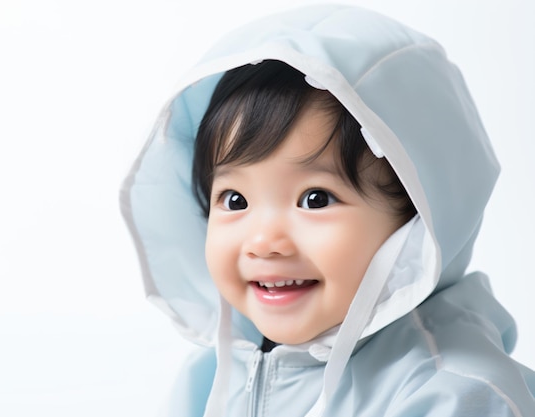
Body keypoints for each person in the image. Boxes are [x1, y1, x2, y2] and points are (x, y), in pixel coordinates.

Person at [121, 4, 535, 416]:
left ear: (416, 223)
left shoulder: (454, 396)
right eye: (235, 200)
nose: (264, 242)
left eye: (315, 199)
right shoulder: (216, 374)